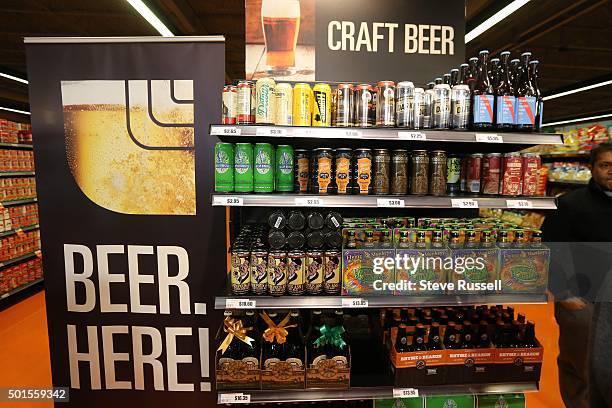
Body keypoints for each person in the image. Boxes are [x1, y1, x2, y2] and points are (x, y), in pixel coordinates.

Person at [541, 142, 612, 407]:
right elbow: (551, 250)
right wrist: (563, 295)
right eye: (605, 165)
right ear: (592, 168)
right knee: (580, 367)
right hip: (584, 302)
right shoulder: (570, 204)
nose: (611, 171)